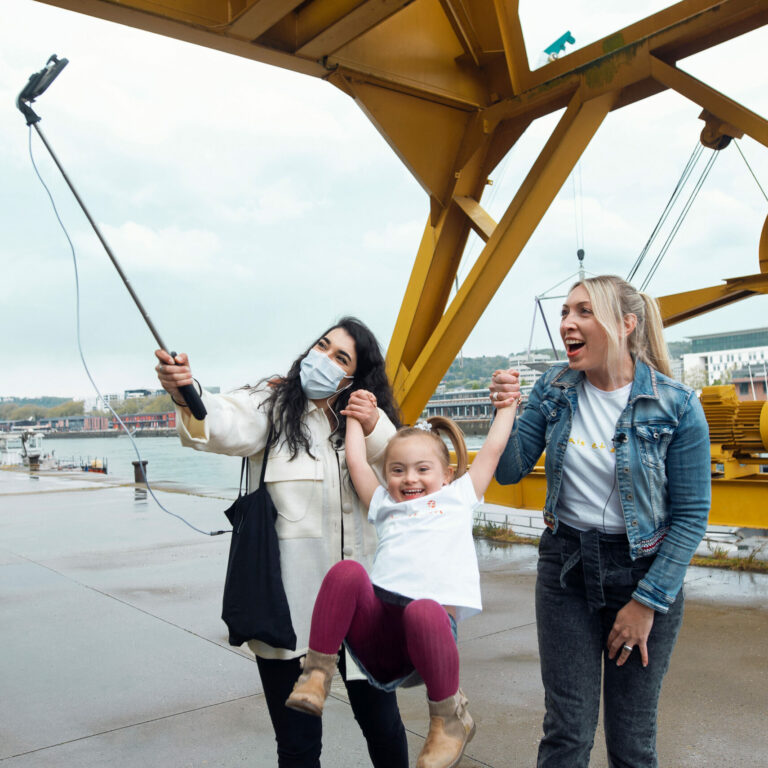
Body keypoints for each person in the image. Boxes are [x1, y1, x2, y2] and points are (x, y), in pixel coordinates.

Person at [154, 317, 409, 768]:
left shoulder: (364, 422)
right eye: (323, 346)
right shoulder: (272, 405)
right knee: (297, 745)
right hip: (287, 614)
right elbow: (223, 419)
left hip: (362, 614)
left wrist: (375, 427)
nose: (324, 360)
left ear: (356, 377)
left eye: (341, 357)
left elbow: (407, 469)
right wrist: (184, 391)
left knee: (384, 727)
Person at [490, 275, 711, 768]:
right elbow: (508, 471)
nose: (567, 322)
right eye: (566, 312)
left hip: (643, 573)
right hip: (565, 569)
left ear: (627, 324)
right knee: (567, 733)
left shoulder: (677, 406)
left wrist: (646, 603)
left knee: (632, 741)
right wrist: (506, 411)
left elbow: (693, 516)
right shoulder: (554, 386)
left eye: (583, 311)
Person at [284, 394, 519, 768]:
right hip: (379, 642)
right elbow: (357, 461)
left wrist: (507, 407)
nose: (409, 478)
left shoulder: (460, 497)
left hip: (428, 637)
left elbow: (492, 448)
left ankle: (448, 720)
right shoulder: (384, 505)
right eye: (397, 470)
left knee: (423, 609)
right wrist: (354, 418)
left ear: (446, 475)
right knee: (347, 572)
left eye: (422, 469)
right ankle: (316, 675)